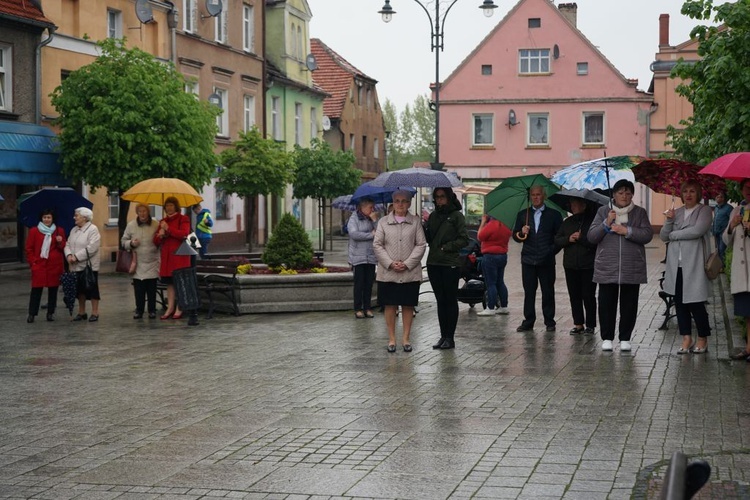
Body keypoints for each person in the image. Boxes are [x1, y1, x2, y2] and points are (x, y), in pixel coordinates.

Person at [588, 179, 653, 352]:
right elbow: (592, 237)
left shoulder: (639, 213)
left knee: (629, 304)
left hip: (632, 266)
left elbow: (647, 235)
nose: (624, 196)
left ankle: (625, 338)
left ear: (632, 194)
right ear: (614, 195)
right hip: (607, 265)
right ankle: (607, 337)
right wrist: (606, 223)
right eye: (620, 192)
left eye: (628, 192)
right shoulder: (603, 211)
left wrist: (627, 231)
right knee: (606, 304)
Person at [661, 180, 713, 354]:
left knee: (696, 303)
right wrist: (669, 220)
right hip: (677, 265)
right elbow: (663, 236)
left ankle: (702, 338)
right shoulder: (677, 212)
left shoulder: (704, 211)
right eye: (685, 192)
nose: (688, 195)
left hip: (695, 264)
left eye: (692, 191)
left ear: (698, 193)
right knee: (680, 303)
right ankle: (686, 338)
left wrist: (674, 234)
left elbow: (697, 231)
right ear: (681, 195)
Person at [373, 190, 426, 352]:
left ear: (409, 203)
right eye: (397, 201)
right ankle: (391, 339)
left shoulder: (415, 221)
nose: (400, 204)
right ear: (392, 203)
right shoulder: (383, 222)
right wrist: (390, 263)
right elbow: (377, 244)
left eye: (404, 201)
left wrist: (408, 263)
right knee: (390, 305)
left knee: (408, 305)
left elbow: (421, 244)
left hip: (409, 273)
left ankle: (406, 339)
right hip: (388, 273)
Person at [512, 185, 563, 332]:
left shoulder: (554, 215)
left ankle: (549, 321)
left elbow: (559, 237)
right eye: (533, 195)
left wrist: (550, 251)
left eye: (538, 194)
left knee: (547, 291)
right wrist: (521, 232)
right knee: (529, 292)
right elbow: (516, 237)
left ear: (544, 196)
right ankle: (529, 320)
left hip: (546, 260)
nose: (535, 197)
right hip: (528, 260)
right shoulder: (523, 215)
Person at [425, 187, 469, 350]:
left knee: (450, 300)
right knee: (440, 301)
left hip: (450, 263)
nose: (439, 200)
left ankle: (450, 337)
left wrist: (447, 247)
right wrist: (424, 227)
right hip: (434, 263)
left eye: (442, 197)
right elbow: (430, 240)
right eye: (437, 197)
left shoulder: (457, 216)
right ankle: (443, 336)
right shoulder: (433, 216)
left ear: (449, 198)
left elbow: (464, 239)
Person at [554, 197, 598, 334]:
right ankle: (578, 323)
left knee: (588, 295)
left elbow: (595, 242)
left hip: (588, 265)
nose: (572, 206)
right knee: (574, 295)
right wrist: (569, 239)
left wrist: (581, 238)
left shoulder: (592, 222)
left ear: (584, 205)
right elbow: (557, 240)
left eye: (575, 204)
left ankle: (590, 324)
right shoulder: (567, 222)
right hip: (570, 264)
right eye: (571, 204)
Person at [25, 209, 66, 323]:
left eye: (49, 217)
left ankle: (50, 313)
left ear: (52, 219)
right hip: (39, 265)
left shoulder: (59, 230)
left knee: (53, 290)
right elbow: (29, 248)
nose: (46, 219)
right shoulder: (34, 231)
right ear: (41, 218)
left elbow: (63, 248)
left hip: (54, 266)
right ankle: (32, 314)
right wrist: (33, 262)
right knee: (36, 290)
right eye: (44, 217)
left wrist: (60, 241)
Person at [154, 196, 191, 320]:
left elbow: (184, 234)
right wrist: (160, 235)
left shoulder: (183, 219)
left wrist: (168, 229)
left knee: (179, 282)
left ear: (176, 206)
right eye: (167, 206)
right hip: (167, 258)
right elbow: (156, 241)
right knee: (169, 284)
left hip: (179, 257)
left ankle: (179, 307)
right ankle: (170, 307)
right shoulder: (163, 221)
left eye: (171, 205)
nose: (169, 208)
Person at [725, 179, 750, 362]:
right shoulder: (737, 210)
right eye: (746, 188)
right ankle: (749, 347)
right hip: (741, 271)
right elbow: (726, 243)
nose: (749, 191)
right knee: (747, 312)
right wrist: (732, 226)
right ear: (741, 190)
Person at [122, 204, 160, 319]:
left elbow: (159, 240)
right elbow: (123, 241)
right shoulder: (131, 225)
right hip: (137, 262)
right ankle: (139, 310)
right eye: (140, 211)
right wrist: (131, 243)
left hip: (152, 260)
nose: (142, 214)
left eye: (144, 211)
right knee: (139, 289)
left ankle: (152, 310)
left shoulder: (155, 224)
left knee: (151, 288)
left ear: (148, 212)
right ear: (137, 213)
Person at [64, 207, 102, 322]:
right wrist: (69, 255)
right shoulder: (74, 230)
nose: (74, 217)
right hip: (75, 266)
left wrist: (77, 257)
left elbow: (92, 247)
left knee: (92, 288)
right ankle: (82, 312)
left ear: (84, 217)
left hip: (89, 266)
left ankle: (95, 313)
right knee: (80, 290)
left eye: (77, 215)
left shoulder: (93, 229)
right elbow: (68, 244)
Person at [347, 197, 378, 319]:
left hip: (370, 255)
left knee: (369, 284)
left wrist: (375, 221)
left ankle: (367, 308)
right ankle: (358, 308)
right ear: (362, 207)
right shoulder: (354, 218)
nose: (372, 210)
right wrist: (370, 235)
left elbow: (379, 232)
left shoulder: (372, 218)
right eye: (370, 207)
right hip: (357, 257)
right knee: (359, 284)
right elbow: (354, 234)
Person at [476, 213, 511, 316]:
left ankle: (490, 307)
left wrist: (483, 222)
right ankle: (504, 306)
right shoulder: (506, 225)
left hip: (490, 256)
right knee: (500, 282)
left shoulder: (492, 224)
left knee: (491, 283)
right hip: (502, 255)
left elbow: (480, 236)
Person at [712, 191, 733, 267]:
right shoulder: (716, 208)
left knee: (722, 250)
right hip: (716, 232)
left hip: (723, 233)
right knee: (717, 250)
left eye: (720, 196)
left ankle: (723, 267)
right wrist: (713, 230)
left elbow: (731, 220)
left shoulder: (729, 208)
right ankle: (720, 266)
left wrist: (727, 229)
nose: (718, 198)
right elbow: (715, 219)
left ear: (723, 198)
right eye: (717, 196)